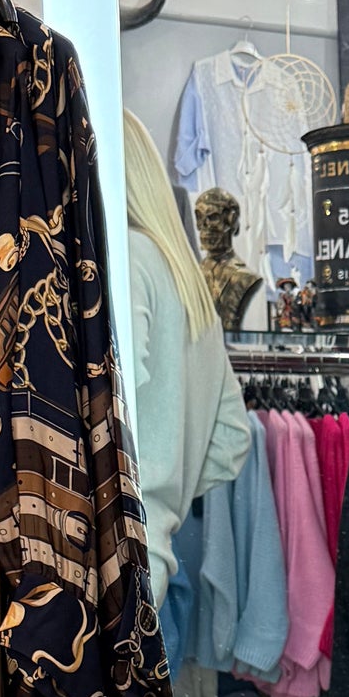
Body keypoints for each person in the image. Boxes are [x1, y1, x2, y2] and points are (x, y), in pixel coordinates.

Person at [121, 106, 251, 609]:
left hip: (120, 560)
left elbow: (121, 393)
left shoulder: (129, 258)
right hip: (158, 552)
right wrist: (171, 486)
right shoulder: (187, 278)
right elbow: (232, 438)